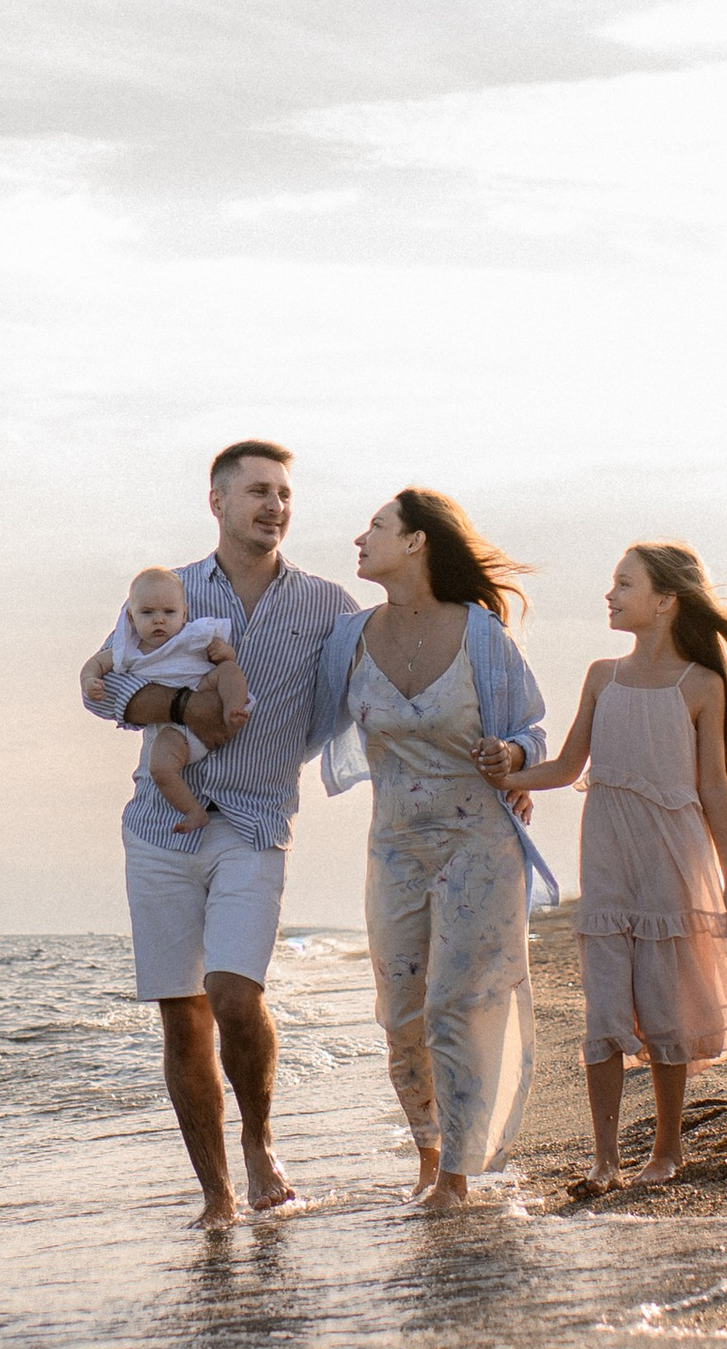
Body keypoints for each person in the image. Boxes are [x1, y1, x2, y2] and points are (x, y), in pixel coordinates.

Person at [486, 540, 727, 1190]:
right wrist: (511, 771)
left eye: (624, 584)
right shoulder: (601, 676)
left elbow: (714, 792)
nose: (610, 595)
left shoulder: (701, 685)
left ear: (665, 601)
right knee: (605, 1013)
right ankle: (605, 1160)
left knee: (666, 1010)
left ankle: (666, 1153)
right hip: (608, 858)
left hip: (674, 860)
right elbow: (565, 767)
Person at [79, 440, 353, 1228]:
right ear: (218, 502)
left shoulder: (328, 606)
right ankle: (216, 1194)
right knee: (182, 1012)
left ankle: (261, 1142)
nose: (275, 506)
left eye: (285, 494)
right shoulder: (167, 592)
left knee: (234, 994)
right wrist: (175, 709)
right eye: (258, 492)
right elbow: (104, 690)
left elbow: (375, 679)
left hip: (259, 820)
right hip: (161, 823)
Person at [309, 490, 556, 1212]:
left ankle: (453, 1175)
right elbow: (297, 719)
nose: (360, 538)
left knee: (457, 1003)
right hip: (394, 848)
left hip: (478, 843)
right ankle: (425, 1156)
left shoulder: (482, 636)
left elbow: (532, 732)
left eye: (377, 527)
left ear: (416, 542)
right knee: (400, 1013)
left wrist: (511, 752)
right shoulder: (348, 641)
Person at [103, 568, 251, 834]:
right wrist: (88, 678)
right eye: (148, 613)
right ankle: (193, 810)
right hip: (171, 730)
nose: (159, 620)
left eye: (168, 613)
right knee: (159, 768)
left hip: (204, 688)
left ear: (184, 613)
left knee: (229, 672)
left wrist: (223, 652)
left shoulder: (192, 634)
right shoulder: (130, 650)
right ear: (131, 617)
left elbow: (227, 658)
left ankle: (234, 709)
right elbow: (99, 666)